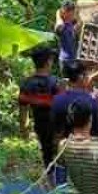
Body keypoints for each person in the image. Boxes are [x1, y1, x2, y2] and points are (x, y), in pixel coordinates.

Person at [18, 47, 62, 182]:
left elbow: (23, 110)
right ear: (48, 62)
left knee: (47, 154)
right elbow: (62, 107)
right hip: (56, 127)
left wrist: (23, 129)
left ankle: (51, 182)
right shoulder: (54, 83)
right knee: (59, 156)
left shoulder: (27, 83)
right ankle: (59, 184)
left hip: (40, 126)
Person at [51, 60, 98, 145]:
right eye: (87, 75)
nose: (88, 78)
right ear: (81, 77)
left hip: (64, 149)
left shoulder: (56, 100)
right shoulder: (94, 100)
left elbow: (54, 129)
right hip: (89, 149)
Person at [54, 0, 81, 72]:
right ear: (63, 12)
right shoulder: (60, 25)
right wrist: (58, 13)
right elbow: (59, 24)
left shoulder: (72, 24)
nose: (71, 16)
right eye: (69, 13)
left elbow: (78, 24)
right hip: (65, 61)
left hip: (75, 59)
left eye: (72, 13)